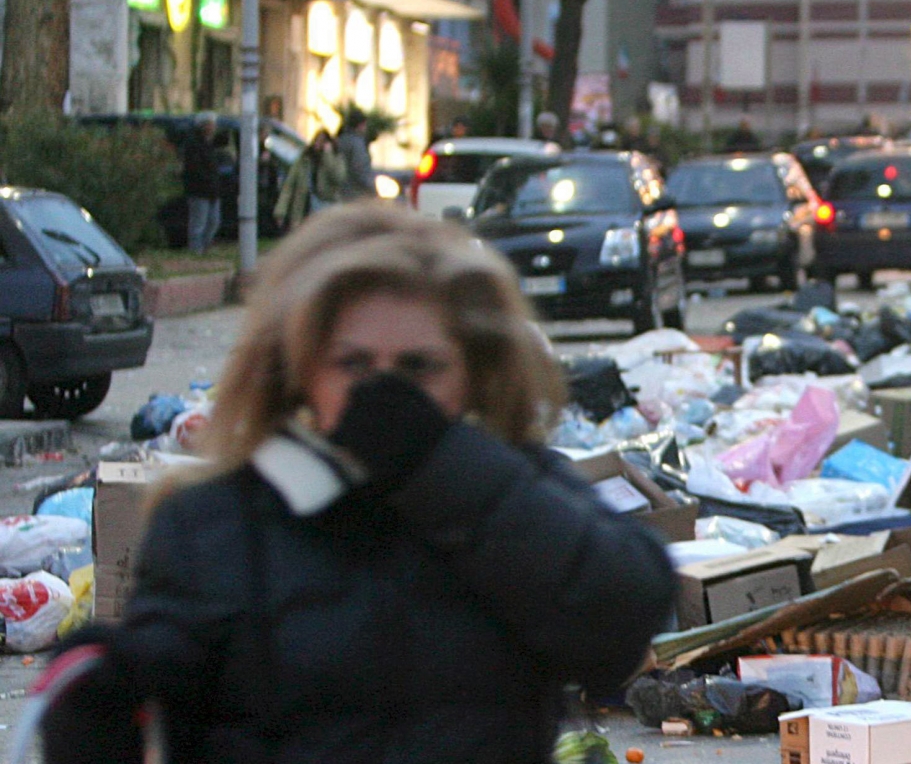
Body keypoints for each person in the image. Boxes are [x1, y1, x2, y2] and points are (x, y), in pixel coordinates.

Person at [36, 204, 676, 763]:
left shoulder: (519, 493)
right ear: (300, 374)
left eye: (419, 367)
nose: (386, 392)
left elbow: (621, 620)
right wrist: (95, 705)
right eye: (354, 364)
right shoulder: (210, 525)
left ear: (473, 374)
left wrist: (446, 467)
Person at [274, 130, 347, 232]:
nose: (318, 144)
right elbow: (289, 186)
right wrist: (281, 211)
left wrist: (328, 155)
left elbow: (338, 178)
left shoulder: (335, 158)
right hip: (303, 210)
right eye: (317, 140)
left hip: (326, 210)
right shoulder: (304, 160)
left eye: (322, 141)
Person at [180, 113, 223, 253]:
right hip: (199, 190)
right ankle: (196, 249)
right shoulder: (194, 144)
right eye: (210, 124)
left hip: (212, 190)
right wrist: (207, 179)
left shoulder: (210, 143)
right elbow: (194, 168)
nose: (213, 127)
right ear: (203, 126)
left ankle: (206, 245)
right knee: (198, 223)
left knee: (213, 221)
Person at [336, 107, 376, 201]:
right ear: (361, 125)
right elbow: (360, 169)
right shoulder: (357, 143)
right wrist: (373, 190)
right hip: (355, 194)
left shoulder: (341, 139)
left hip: (341, 193)